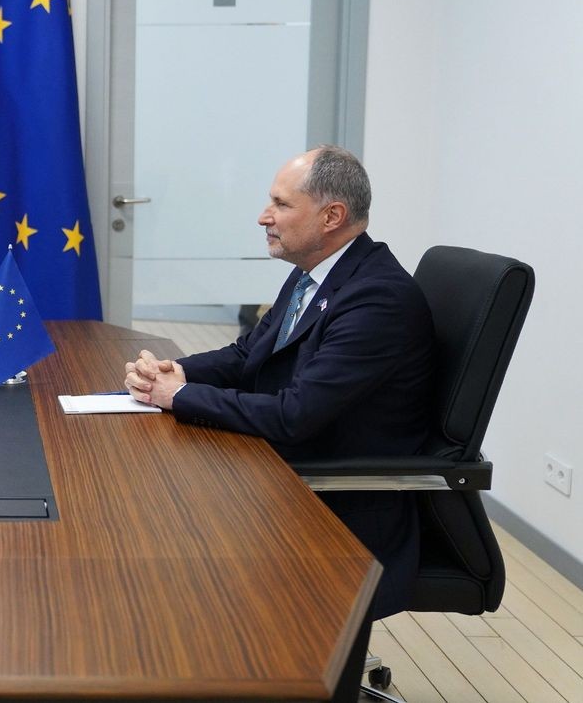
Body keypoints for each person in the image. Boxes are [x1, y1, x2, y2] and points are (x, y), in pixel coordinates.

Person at [124, 145, 435, 620]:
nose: (263, 217)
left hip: (336, 507)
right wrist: (179, 371)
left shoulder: (377, 299)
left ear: (332, 216)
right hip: (285, 472)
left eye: (281, 205)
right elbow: (251, 352)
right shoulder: (315, 273)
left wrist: (180, 397)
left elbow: (295, 415)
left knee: (163, 530)